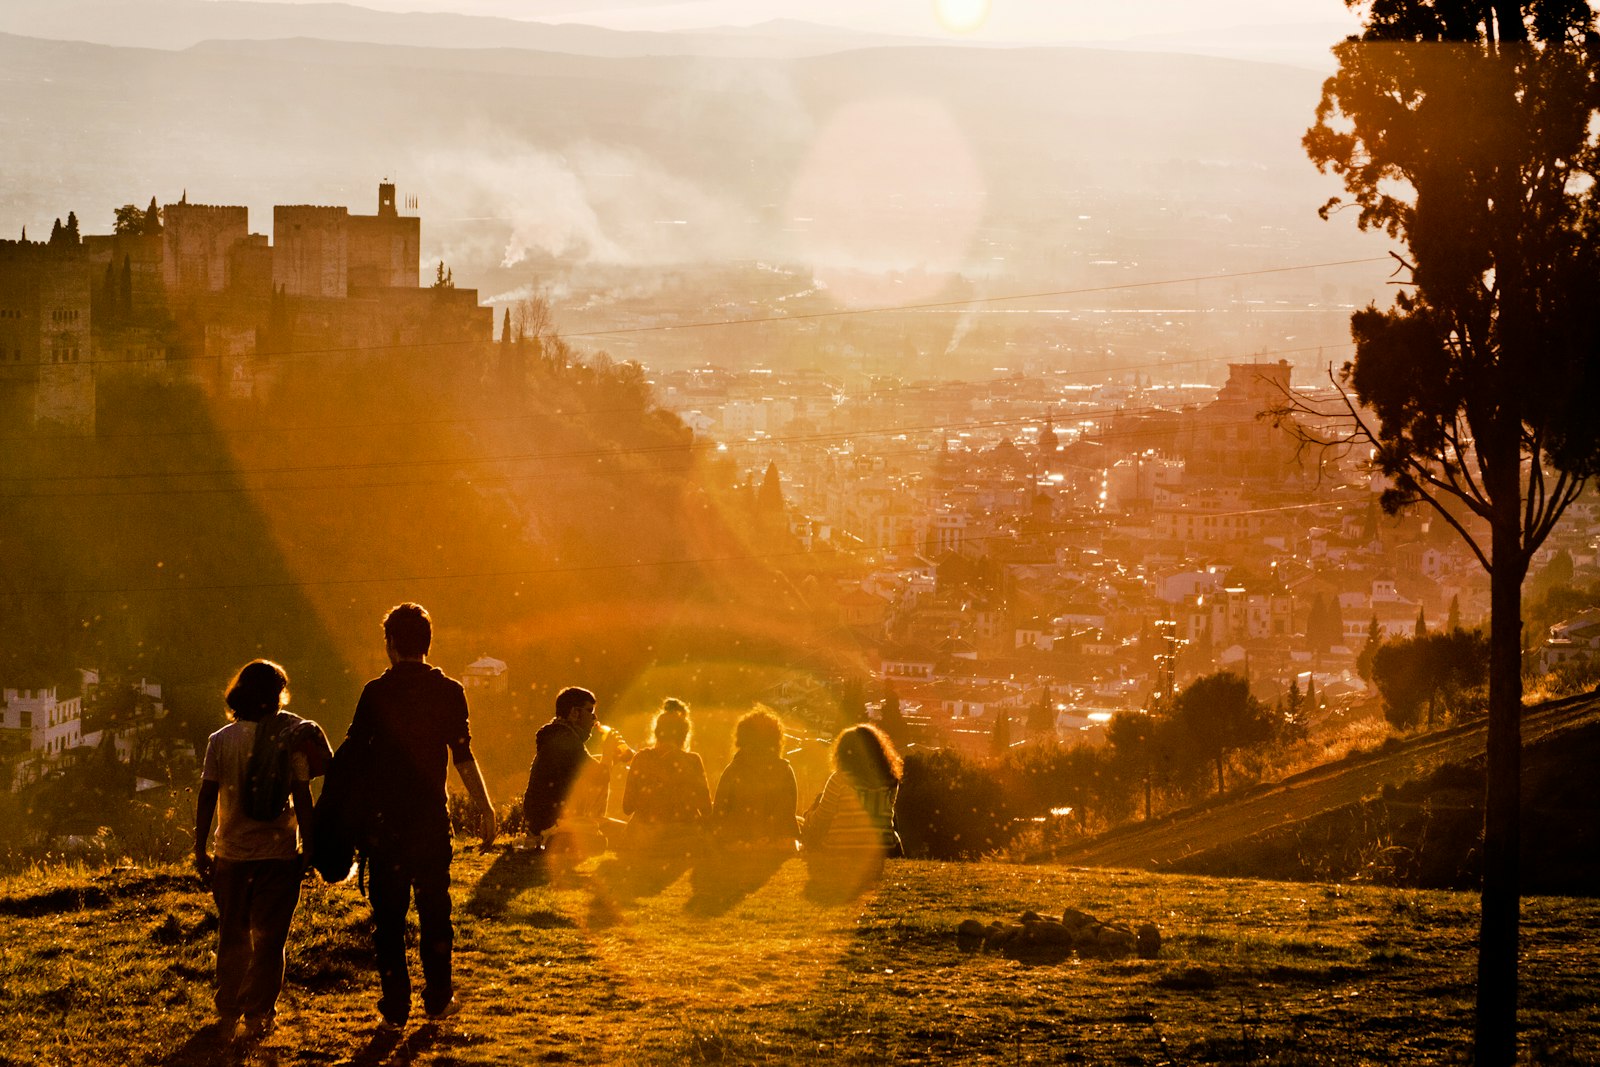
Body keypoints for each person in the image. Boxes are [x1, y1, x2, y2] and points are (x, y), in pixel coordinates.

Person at [343, 603, 496, 1029]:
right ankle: (438, 999)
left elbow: (354, 756)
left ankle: (395, 1009)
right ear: (427, 643)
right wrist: (485, 808)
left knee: (388, 919)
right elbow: (462, 754)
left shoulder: (375, 693)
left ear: (389, 644)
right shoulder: (448, 691)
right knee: (435, 911)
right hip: (430, 820)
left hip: (384, 824)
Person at [194, 659, 317, 1042]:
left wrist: (199, 848)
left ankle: (229, 1005)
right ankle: (259, 1013)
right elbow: (303, 795)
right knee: (270, 940)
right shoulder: (289, 740)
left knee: (232, 937)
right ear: (277, 696)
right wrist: (310, 847)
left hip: (231, 854)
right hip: (279, 855)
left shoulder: (220, 740)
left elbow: (206, 796)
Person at [522, 686, 631, 853]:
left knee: (621, 833)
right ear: (574, 713)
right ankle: (560, 840)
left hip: (546, 822)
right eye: (590, 711)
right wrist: (608, 750)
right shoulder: (565, 740)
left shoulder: (558, 737)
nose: (594, 718)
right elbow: (601, 776)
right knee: (628, 835)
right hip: (557, 823)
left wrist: (610, 757)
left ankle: (558, 839)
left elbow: (588, 767)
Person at [800, 723, 902, 895]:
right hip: (885, 849)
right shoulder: (891, 781)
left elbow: (822, 819)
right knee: (893, 820)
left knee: (814, 808)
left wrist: (807, 818)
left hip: (841, 848)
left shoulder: (839, 779)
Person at [620, 698, 711, 854]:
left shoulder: (641, 758)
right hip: (682, 836)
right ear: (685, 734)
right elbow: (706, 809)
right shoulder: (693, 760)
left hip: (645, 836)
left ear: (657, 732)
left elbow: (627, 808)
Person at [710, 707, 799, 850]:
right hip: (777, 841)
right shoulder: (785, 770)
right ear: (776, 740)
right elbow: (789, 812)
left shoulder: (733, 769)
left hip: (738, 842)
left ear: (741, 738)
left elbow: (719, 811)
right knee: (799, 821)